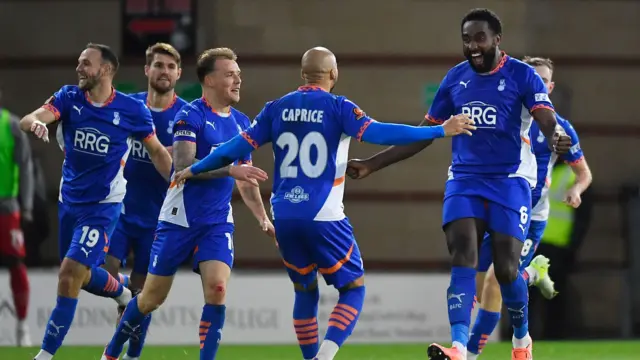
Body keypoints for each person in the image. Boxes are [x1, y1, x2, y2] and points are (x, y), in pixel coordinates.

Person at [171, 46, 476, 360]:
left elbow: (233, 147)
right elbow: (381, 133)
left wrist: (194, 168)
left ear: (303, 75)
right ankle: (324, 356)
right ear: (334, 74)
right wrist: (441, 129)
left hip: (285, 216)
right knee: (354, 289)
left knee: (305, 290)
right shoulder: (338, 107)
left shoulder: (276, 108)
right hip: (324, 216)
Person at [345, 9, 573, 360]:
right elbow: (424, 132)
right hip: (464, 181)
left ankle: (522, 341)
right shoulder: (455, 79)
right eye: (466, 39)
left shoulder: (523, 76)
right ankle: (458, 347)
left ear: (497, 39)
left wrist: (556, 136)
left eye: (479, 38)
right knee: (462, 252)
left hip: (510, 181)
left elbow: (546, 118)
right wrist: (373, 165)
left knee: (507, 270)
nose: (472, 46)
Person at [101, 47, 274, 360]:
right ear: (209, 80)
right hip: (178, 219)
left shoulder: (242, 123)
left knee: (217, 290)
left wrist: (263, 217)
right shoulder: (190, 115)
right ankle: (112, 352)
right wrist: (231, 168)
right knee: (150, 298)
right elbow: (182, 167)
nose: (238, 80)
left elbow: (246, 181)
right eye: (230, 74)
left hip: (217, 221)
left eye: (239, 75)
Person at [20, 43, 173, 360]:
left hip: (103, 206)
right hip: (69, 201)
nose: (79, 68)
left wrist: (177, 180)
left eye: (85, 63)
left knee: (69, 273)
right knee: (81, 276)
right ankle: (123, 290)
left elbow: (157, 151)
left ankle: (45, 355)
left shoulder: (131, 111)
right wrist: (35, 122)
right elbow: (32, 117)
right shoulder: (69, 97)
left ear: (105, 69)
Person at [467, 56, 593, 359]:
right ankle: (532, 274)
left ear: (549, 87)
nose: (536, 85)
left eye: (542, 81)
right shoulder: (502, 117)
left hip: (531, 214)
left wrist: (576, 189)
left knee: (498, 280)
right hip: (499, 209)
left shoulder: (558, 128)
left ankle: (471, 353)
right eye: (531, 79)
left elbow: (584, 172)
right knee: (484, 285)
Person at [101, 42, 188, 360]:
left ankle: (131, 354)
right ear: (146, 70)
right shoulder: (128, 106)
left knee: (142, 296)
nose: (163, 71)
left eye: (170, 67)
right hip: (121, 210)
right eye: (158, 65)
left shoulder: (186, 115)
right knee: (105, 270)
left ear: (178, 73)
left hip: (160, 217)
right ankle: (124, 292)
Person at [0, 100, 34, 347]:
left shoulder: (10, 124)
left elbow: (26, 167)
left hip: (6, 206)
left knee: (15, 262)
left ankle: (22, 325)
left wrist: (27, 205)